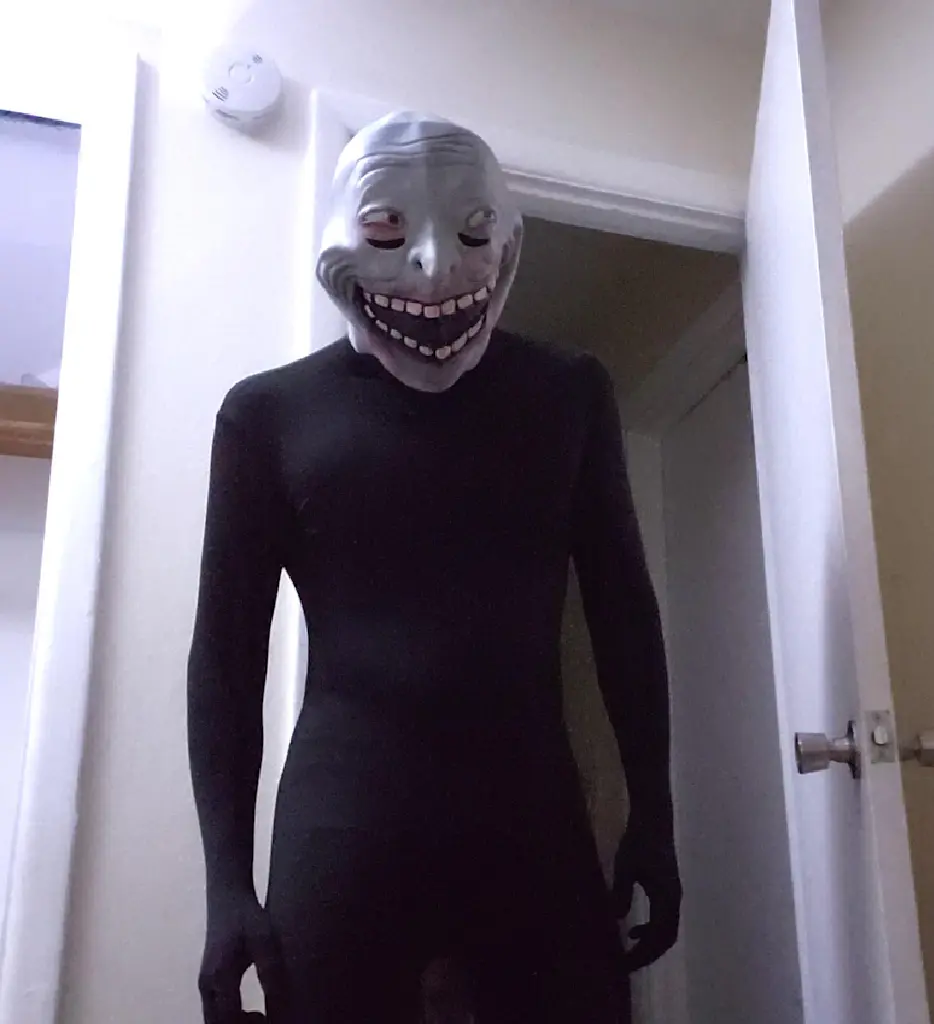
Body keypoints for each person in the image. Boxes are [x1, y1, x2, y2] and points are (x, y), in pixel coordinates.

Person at [187, 111, 680, 1024]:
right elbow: (225, 656)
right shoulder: (267, 416)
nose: (433, 265)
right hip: (346, 822)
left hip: (531, 816)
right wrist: (224, 883)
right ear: (337, 235)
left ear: (511, 239)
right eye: (385, 230)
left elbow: (624, 611)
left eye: (473, 231)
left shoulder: (567, 393)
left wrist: (655, 814)